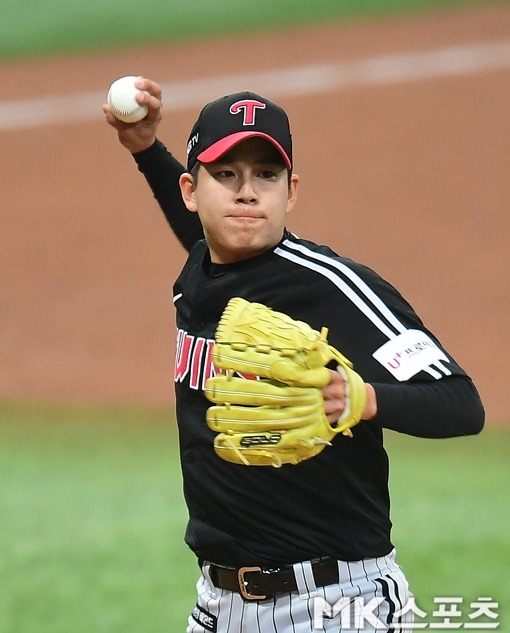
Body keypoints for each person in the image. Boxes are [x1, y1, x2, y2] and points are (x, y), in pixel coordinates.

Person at [104, 78, 485, 633]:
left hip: (335, 604)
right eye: (226, 176)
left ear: (292, 190)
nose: (247, 193)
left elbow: (461, 403)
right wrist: (144, 148)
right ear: (191, 190)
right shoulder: (203, 268)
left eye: (266, 175)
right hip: (217, 605)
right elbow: (204, 231)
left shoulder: (329, 287)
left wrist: (362, 398)